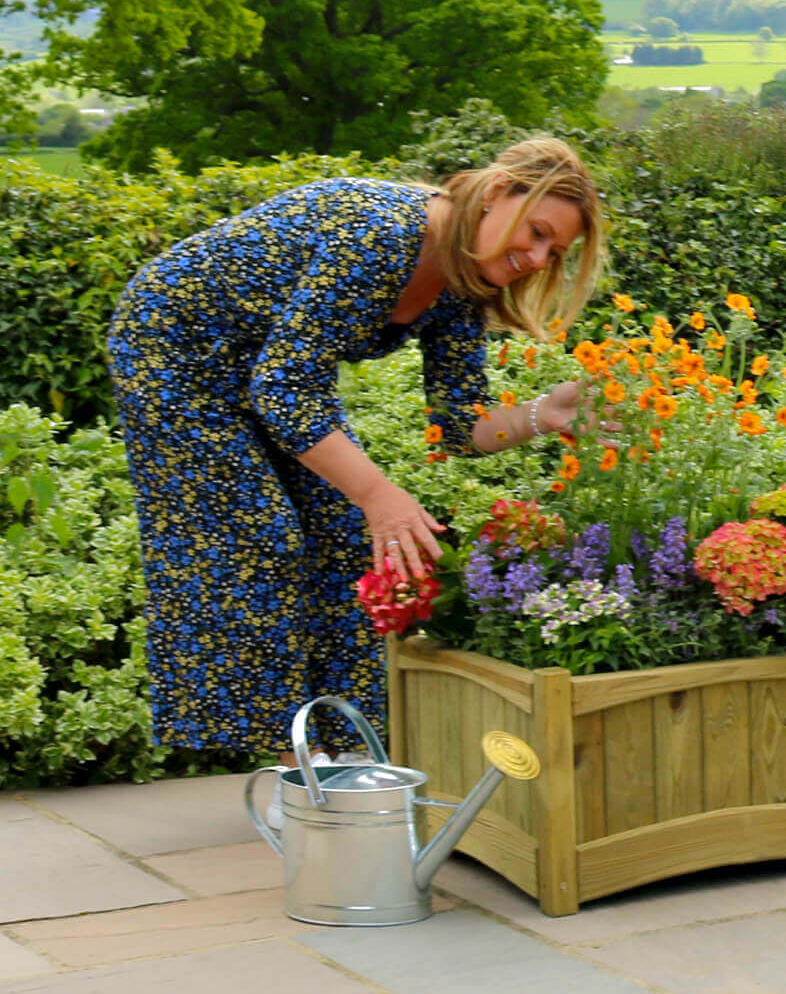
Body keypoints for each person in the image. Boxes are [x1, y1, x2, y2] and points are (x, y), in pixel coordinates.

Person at [107, 137, 605, 766]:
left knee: (350, 540)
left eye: (552, 252)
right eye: (535, 232)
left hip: (268, 370)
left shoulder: (463, 281)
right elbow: (285, 385)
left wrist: (543, 414)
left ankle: (354, 753)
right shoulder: (381, 235)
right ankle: (294, 765)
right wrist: (378, 495)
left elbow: (461, 425)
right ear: (498, 191)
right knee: (259, 532)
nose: (535, 258)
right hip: (173, 348)